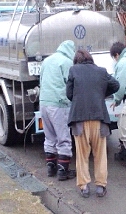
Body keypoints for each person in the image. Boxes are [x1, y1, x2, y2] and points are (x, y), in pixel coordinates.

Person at [66, 49, 120, 198]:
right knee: (100, 154)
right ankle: (100, 186)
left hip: (79, 120)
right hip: (99, 118)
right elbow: (116, 85)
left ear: (76, 61)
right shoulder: (101, 71)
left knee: (82, 155)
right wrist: (100, 93)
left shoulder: (73, 70)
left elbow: (69, 94)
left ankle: (84, 187)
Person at [39, 40, 76, 181]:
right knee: (63, 138)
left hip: (44, 103)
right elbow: (70, 83)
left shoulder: (46, 61)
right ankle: (63, 171)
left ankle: (50, 168)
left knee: (49, 137)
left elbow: (41, 81)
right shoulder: (66, 62)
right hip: (59, 104)